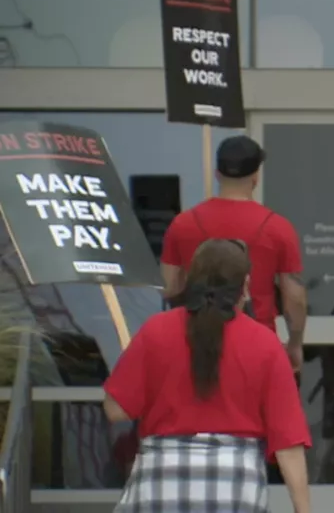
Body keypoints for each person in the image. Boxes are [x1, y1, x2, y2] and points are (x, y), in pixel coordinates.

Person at [103, 239, 311, 512]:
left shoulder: (155, 331)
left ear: (191, 281)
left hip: (160, 485)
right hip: (237, 489)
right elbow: (289, 445)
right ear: (245, 288)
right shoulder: (265, 344)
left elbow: (115, 410)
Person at [160, 135, 307, 372]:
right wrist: (296, 343)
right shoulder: (277, 227)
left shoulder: (182, 224)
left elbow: (170, 288)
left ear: (217, 173)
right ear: (256, 176)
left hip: (193, 345)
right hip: (256, 343)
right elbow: (295, 296)